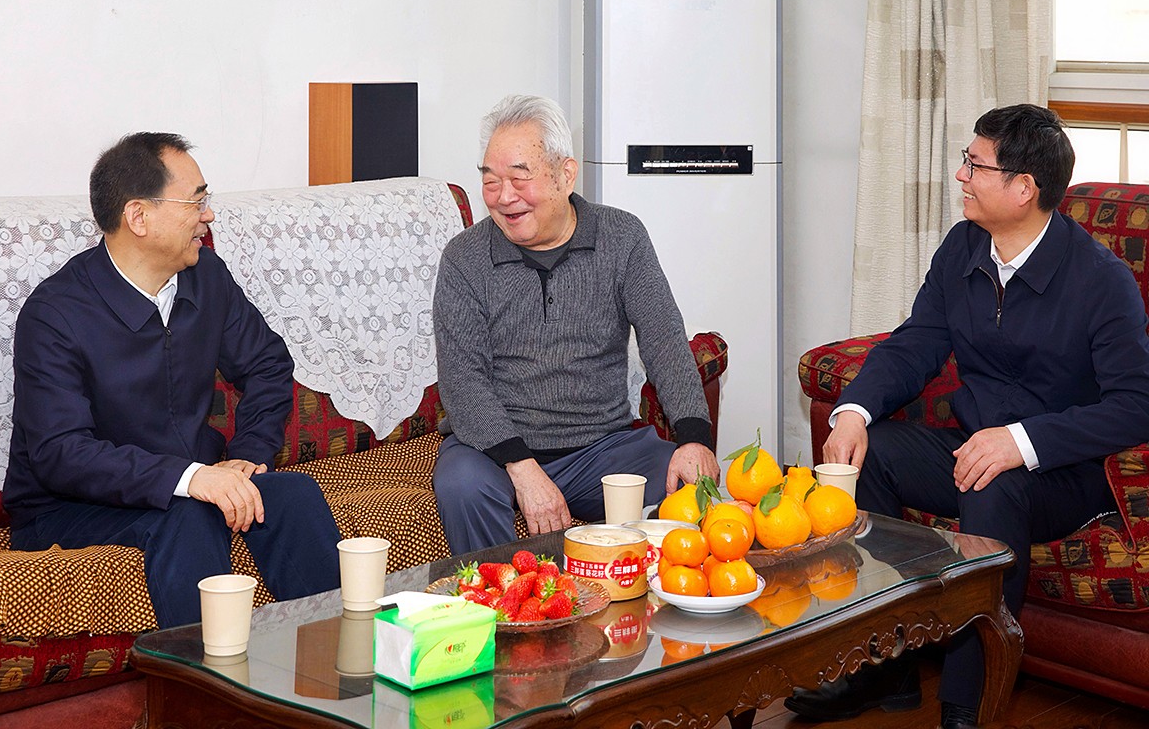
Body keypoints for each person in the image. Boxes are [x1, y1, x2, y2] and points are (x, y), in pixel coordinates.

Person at [786, 104, 1149, 729]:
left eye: (975, 165)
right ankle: (884, 668)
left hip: (1064, 471)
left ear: (1023, 188)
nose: (961, 175)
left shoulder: (1100, 281)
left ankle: (968, 705)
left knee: (993, 481)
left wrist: (1021, 442)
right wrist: (853, 413)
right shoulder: (964, 247)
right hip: (972, 445)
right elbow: (916, 342)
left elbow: (1135, 405)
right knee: (872, 454)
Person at [4, 132, 341, 627]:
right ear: (138, 216)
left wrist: (248, 453)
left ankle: (336, 659)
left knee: (293, 496)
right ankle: (207, 675)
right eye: (196, 202)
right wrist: (191, 479)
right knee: (189, 515)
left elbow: (267, 364)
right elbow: (62, 454)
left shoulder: (206, 277)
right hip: (68, 506)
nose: (209, 215)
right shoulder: (55, 314)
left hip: (186, 479)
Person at [431, 94, 720, 554]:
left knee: (690, 487)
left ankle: (633, 597)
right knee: (462, 485)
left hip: (602, 447)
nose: (504, 197)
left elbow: (664, 341)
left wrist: (694, 439)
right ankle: (503, 598)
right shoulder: (464, 258)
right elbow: (463, 382)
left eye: (519, 178)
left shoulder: (622, 237)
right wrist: (522, 467)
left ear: (566, 175)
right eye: (490, 181)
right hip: (492, 454)